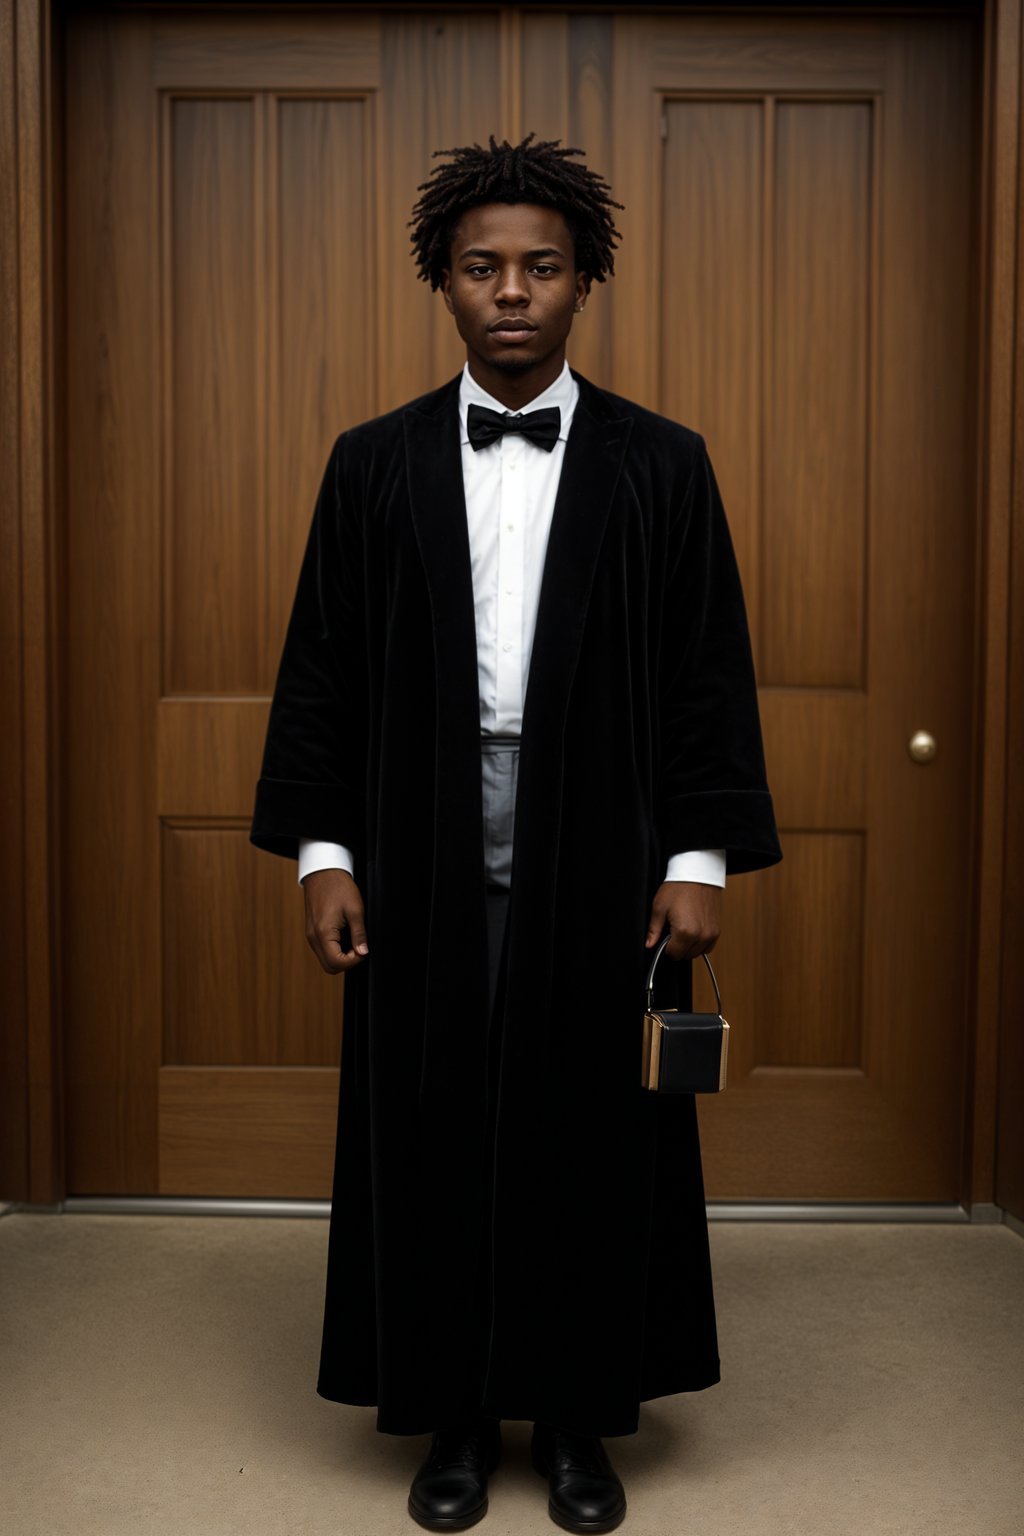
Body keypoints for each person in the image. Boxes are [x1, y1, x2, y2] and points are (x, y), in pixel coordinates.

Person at [250, 133, 782, 1534]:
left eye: (542, 267)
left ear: (583, 283)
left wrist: (698, 857)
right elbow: (322, 671)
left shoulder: (663, 466)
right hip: (417, 835)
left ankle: (574, 1421)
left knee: (587, 1128)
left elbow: (704, 671)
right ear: (443, 282)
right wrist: (324, 855)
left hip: (602, 836)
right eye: (482, 266)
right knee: (436, 1121)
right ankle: (457, 1418)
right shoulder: (372, 466)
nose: (511, 291)